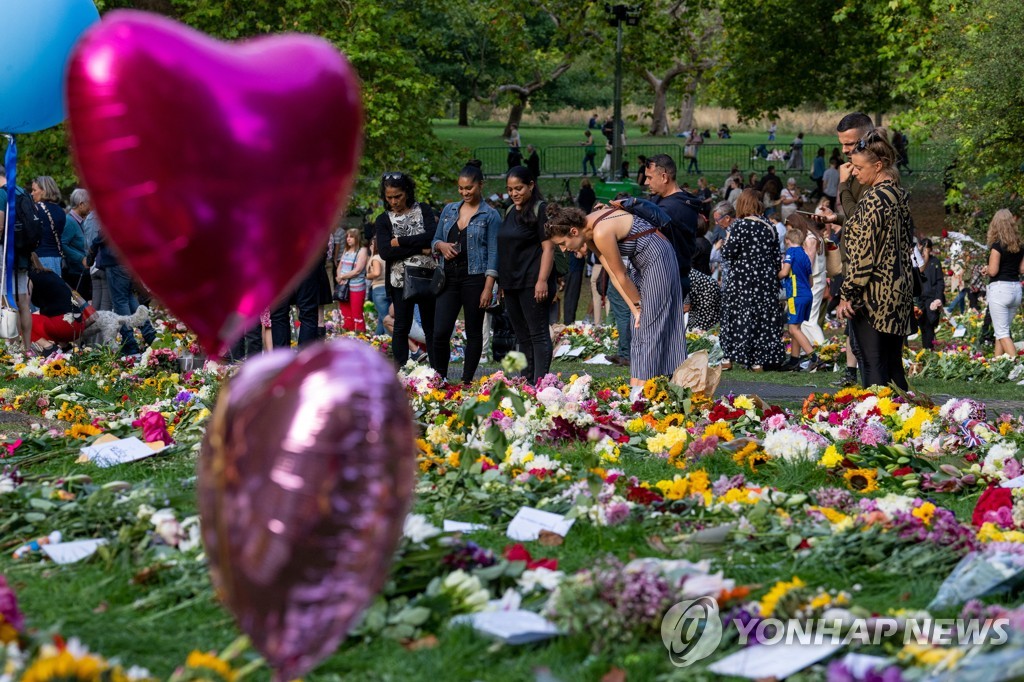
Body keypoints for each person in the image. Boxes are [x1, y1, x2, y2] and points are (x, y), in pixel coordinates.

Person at [544, 200, 686, 389]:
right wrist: (635, 309)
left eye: (563, 243)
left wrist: (639, 306)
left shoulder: (600, 232)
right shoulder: (589, 233)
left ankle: (645, 392)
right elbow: (612, 274)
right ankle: (637, 388)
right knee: (638, 327)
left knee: (649, 325)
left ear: (573, 231)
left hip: (659, 257)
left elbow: (621, 274)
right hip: (642, 263)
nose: (563, 249)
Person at [834, 130, 914, 390]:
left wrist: (847, 293)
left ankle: (876, 424)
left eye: (859, 167)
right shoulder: (897, 196)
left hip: (874, 296)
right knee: (892, 366)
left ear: (878, 166)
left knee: (872, 364)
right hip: (898, 291)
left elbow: (864, 255)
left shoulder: (875, 200)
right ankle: (904, 420)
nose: (854, 173)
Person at [816, 112, 875, 387]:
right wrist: (834, 219)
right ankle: (853, 374)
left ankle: (869, 384)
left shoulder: (872, 173)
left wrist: (841, 185)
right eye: (842, 144)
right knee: (853, 323)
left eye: (850, 143)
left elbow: (859, 218)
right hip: (851, 259)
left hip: (867, 265)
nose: (845, 150)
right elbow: (853, 216)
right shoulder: (855, 168)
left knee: (866, 329)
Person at [431, 162, 500, 384]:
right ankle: (439, 377)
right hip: (448, 278)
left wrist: (488, 288)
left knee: (473, 332)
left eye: (469, 188)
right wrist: (441, 245)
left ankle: (466, 379)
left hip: (475, 279)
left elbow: (494, 253)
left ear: (480, 185)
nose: (464, 192)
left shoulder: (490, 215)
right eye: (461, 188)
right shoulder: (449, 210)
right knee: (440, 331)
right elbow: (434, 240)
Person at [497, 166, 556, 383]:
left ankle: (541, 383)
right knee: (521, 336)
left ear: (531, 185)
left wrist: (542, 281)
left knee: (538, 333)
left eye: (519, 188)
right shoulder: (510, 211)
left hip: (532, 282)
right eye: (510, 189)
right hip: (511, 283)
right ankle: (527, 380)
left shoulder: (541, 210)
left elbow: (548, 248)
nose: (514, 193)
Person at [719, 189, 786, 371]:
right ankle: (759, 360)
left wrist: (726, 241)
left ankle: (730, 357)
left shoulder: (738, 226)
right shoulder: (769, 226)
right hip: (765, 280)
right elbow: (775, 258)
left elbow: (728, 254)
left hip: (742, 280)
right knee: (762, 318)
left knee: (738, 316)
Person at [375, 172, 437, 366]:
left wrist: (399, 241)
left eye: (398, 196)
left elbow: (431, 236)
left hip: (427, 277)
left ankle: (437, 370)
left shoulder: (424, 210)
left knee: (430, 326)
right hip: (399, 280)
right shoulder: (383, 219)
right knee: (401, 326)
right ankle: (400, 370)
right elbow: (385, 252)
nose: (394, 201)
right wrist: (419, 248)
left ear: (407, 192)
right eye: (389, 197)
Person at [92, 225, 157, 357]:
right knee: (129, 298)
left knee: (120, 302)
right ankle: (150, 335)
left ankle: (130, 345)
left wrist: (91, 253)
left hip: (115, 261)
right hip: (127, 259)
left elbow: (102, 237)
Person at [640, 155, 699, 301]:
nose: (646, 182)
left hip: (670, 281)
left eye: (649, 177)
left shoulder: (679, 207)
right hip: (655, 279)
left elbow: (651, 216)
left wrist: (628, 205)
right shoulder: (659, 200)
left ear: (664, 177)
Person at [0, 165, 35, 352]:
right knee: (23, 302)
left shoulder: (1, 194)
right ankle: (27, 347)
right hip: (22, 253)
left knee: (6, 300)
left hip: (5, 253)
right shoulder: (22, 191)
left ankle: (11, 348)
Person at [25, 254, 85, 354]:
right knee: (48, 316)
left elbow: (24, 308)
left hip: (63, 326)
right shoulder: (50, 273)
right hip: (78, 325)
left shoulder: (29, 278)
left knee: (19, 319)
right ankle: (65, 348)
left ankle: (49, 348)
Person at [984, 209, 1024, 358]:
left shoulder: (997, 246)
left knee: (1002, 332)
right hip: (1015, 289)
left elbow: (993, 271)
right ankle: (997, 362)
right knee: (1001, 331)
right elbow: (1022, 269)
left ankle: (1019, 368)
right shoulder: (1019, 245)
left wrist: (986, 269)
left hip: (1000, 290)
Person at [779, 228, 821, 370]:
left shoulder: (791, 252)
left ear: (787, 241)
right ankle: (794, 360)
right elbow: (811, 282)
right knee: (796, 327)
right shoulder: (805, 255)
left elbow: (784, 272)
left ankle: (814, 358)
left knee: (792, 329)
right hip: (807, 294)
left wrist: (774, 275)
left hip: (795, 295)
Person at [31, 177, 68, 277]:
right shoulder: (61, 211)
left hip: (40, 258)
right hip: (57, 257)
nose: (32, 193)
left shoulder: (36, 209)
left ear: (44, 191)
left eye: (34, 190)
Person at [335, 228, 369, 331]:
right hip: (343, 287)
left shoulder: (362, 250)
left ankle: (360, 338)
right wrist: (338, 277)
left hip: (356, 287)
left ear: (357, 238)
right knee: (346, 314)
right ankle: (348, 337)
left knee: (357, 315)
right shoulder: (346, 250)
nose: (348, 239)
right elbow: (340, 265)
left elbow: (358, 270)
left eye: (351, 237)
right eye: (347, 237)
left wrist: (342, 277)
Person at [63, 189, 92, 300]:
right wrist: (81, 258)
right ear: (81, 204)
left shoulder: (80, 221)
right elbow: (63, 244)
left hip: (82, 272)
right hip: (75, 274)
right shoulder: (70, 222)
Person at [917, 238, 945, 350]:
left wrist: (938, 298)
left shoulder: (935, 262)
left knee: (929, 325)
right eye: (923, 247)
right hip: (920, 299)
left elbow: (940, 282)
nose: (924, 251)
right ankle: (926, 349)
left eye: (927, 248)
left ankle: (929, 349)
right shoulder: (918, 263)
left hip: (931, 299)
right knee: (923, 326)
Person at [366, 237, 390, 335]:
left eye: (372, 244)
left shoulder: (376, 258)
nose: (370, 246)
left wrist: (367, 276)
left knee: (386, 319)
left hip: (379, 289)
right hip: (388, 288)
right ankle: (377, 338)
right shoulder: (387, 256)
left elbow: (375, 273)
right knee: (381, 317)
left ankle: (390, 341)